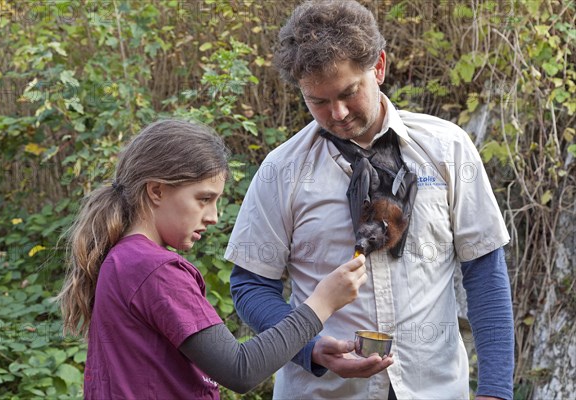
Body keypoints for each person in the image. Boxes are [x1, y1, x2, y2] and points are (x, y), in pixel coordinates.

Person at [225, 1, 514, 399]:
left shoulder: (447, 149)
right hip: (322, 391)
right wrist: (308, 347)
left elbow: (484, 270)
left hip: (435, 389)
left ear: (378, 66)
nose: (338, 113)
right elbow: (250, 285)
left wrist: (496, 390)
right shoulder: (282, 170)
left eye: (348, 92)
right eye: (318, 101)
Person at [56, 119, 369, 399]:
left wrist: (309, 345)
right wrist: (322, 303)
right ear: (156, 191)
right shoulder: (155, 270)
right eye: (203, 199)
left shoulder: (122, 259)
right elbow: (240, 370)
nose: (214, 217)